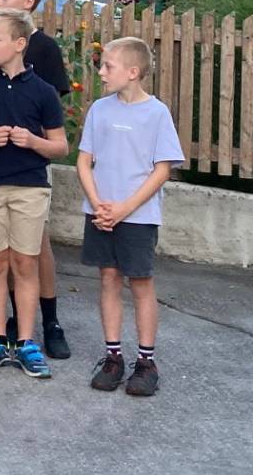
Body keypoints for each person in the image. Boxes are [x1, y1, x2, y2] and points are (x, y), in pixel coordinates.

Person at [0, 9, 69, 379]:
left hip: (30, 187)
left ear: (20, 44)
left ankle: (26, 341)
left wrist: (33, 141)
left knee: (24, 263)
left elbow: (61, 147)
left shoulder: (43, 92)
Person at [78, 37, 185, 398]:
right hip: (101, 212)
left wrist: (124, 208)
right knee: (108, 277)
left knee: (140, 281)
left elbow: (161, 169)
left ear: (133, 72)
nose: (101, 72)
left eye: (108, 66)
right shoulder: (99, 109)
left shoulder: (157, 113)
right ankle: (112, 357)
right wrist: (98, 204)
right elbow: (84, 160)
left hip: (137, 216)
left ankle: (146, 361)